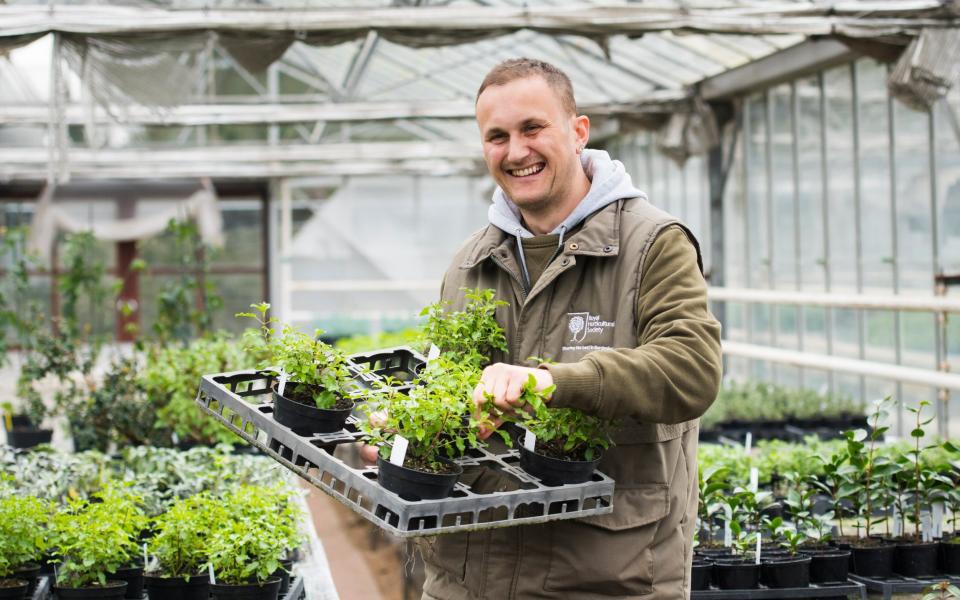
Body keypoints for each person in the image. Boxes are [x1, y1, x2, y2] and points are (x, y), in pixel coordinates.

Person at [368, 57, 722, 599]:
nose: (516, 152)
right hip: (467, 578)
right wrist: (412, 426)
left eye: (533, 128)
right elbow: (453, 394)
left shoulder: (652, 244)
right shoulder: (471, 263)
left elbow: (692, 371)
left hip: (603, 579)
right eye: (497, 136)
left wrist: (556, 382)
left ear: (578, 131)